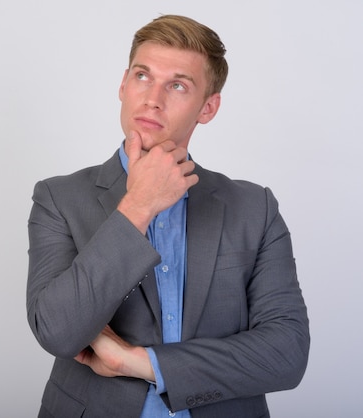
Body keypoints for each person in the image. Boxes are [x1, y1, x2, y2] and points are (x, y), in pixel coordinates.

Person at [26, 14, 310, 418]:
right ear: (123, 85)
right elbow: (57, 332)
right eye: (143, 76)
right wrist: (138, 206)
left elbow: (287, 354)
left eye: (177, 85)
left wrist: (137, 362)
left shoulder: (255, 208)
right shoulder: (58, 197)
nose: (153, 98)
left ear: (208, 107)